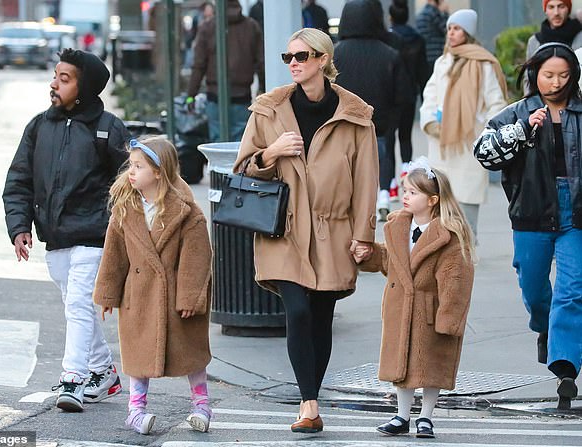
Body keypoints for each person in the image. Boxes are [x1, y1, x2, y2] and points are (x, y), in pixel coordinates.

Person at [233, 27, 379, 433]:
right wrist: (271, 152)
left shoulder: (355, 116)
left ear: (321, 60)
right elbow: (243, 170)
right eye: (288, 57)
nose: (293, 63)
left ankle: (311, 402)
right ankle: (308, 401)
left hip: (333, 231)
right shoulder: (268, 110)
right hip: (283, 230)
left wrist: (364, 234)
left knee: (321, 316)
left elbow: (367, 179)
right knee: (297, 311)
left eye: (300, 56)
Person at [2, 48, 131, 412]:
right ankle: (104, 372)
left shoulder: (108, 128)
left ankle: (72, 379)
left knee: (78, 304)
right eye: (55, 76)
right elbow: (19, 180)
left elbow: (133, 180)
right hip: (55, 237)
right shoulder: (40, 126)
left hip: (95, 235)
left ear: (84, 86)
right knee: (77, 308)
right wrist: (19, 226)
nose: (53, 84)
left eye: (64, 78)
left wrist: (121, 230)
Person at [474, 42, 582, 410]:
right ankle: (546, 328)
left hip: (577, 213)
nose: (555, 83)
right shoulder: (518, 113)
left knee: (572, 291)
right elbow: (484, 154)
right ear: (534, 74)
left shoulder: (581, 112)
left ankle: (565, 366)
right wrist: (521, 130)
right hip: (532, 210)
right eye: (548, 75)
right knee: (534, 286)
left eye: (563, 75)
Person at [94, 136, 213, 434]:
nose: (130, 172)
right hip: (139, 295)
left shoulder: (187, 212)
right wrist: (109, 292)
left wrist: (190, 298)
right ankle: (136, 410)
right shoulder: (125, 208)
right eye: (130, 165)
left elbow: (197, 257)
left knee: (191, 353)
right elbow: (114, 253)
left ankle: (201, 405)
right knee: (137, 354)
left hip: (176, 296)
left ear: (159, 172)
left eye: (138, 166)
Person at [359, 157, 475, 439]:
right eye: (405, 191)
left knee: (429, 364)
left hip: (429, 309)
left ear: (433, 200)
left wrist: (449, 317)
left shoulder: (449, 235)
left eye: (413, 193)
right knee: (402, 365)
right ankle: (402, 415)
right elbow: (391, 260)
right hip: (400, 306)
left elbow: (455, 278)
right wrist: (370, 255)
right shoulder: (398, 226)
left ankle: (426, 416)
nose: (406, 197)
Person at [420, 9, 507, 238]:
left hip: (470, 145)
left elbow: (496, 103)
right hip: (442, 144)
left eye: (457, 28)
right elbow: (430, 96)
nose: (451, 33)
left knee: (466, 213)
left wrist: (484, 130)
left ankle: (467, 255)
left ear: (467, 32)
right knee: (440, 206)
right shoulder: (442, 61)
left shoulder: (483, 63)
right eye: (449, 28)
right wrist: (430, 123)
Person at [334, 0, 409, 221]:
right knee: (382, 156)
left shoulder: (335, 54)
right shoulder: (390, 53)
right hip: (379, 120)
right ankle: (383, 196)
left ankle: (351, 203)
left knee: (348, 163)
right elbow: (402, 95)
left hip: (344, 121)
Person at [186, 0, 264, 142]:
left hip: (215, 96)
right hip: (242, 96)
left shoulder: (207, 27)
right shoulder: (251, 27)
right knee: (242, 144)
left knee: (217, 144)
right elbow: (261, 62)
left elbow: (198, 65)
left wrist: (191, 95)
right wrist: (263, 91)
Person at [386, 0, 428, 201]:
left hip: (389, 97)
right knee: (405, 136)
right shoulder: (417, 39)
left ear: (390, 17)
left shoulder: (387, 39)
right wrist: (423, 92)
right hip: (410, 94)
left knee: (388, 139)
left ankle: (391, 187)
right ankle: (405, 173)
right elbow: (423, 70)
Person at [416, 0, 449, 82]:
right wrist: (445, 13)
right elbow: (447, 29)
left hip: (425, 56)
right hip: (436, 55)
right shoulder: (434, 13)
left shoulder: (421, 14)